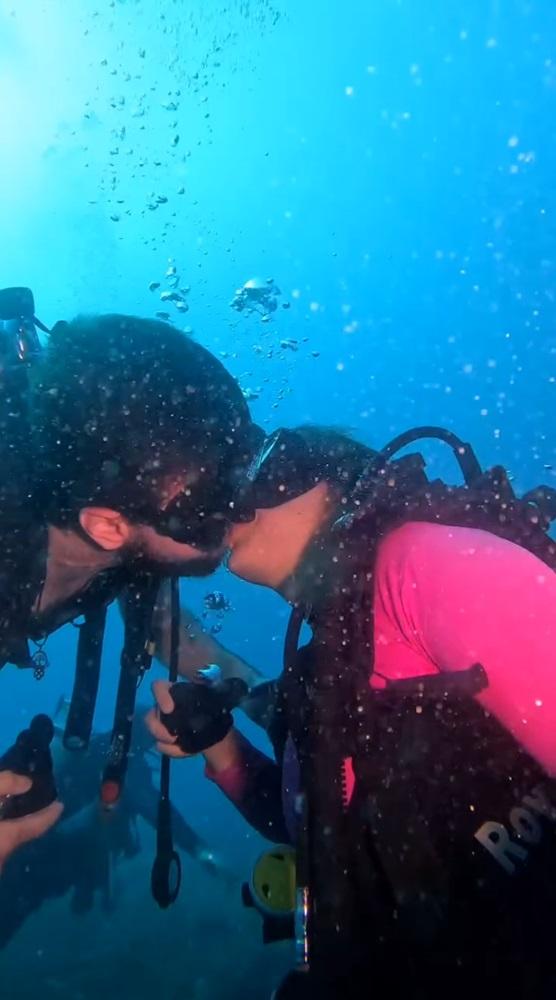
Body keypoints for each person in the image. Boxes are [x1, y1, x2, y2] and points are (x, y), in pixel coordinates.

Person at [149, 424, 556, 999]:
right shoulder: (329, 661)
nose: (235, 509)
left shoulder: (420, 566)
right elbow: (319, 826)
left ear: (331, 479)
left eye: (264, 468)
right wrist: (222, 745)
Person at [0, 307, 261, 873]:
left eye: (245, 473)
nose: (244, 517)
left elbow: (175, 636)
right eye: (208, 509)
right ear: (108, 527)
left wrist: (278, 703)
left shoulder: (133, 527)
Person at [0, 705, 230, 949]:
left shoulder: (93, 745)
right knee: (11, 912)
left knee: (11, 907)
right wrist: (200, 850)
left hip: (30, 852)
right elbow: (157, 811)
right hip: (50, 861)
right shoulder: (124, 765)